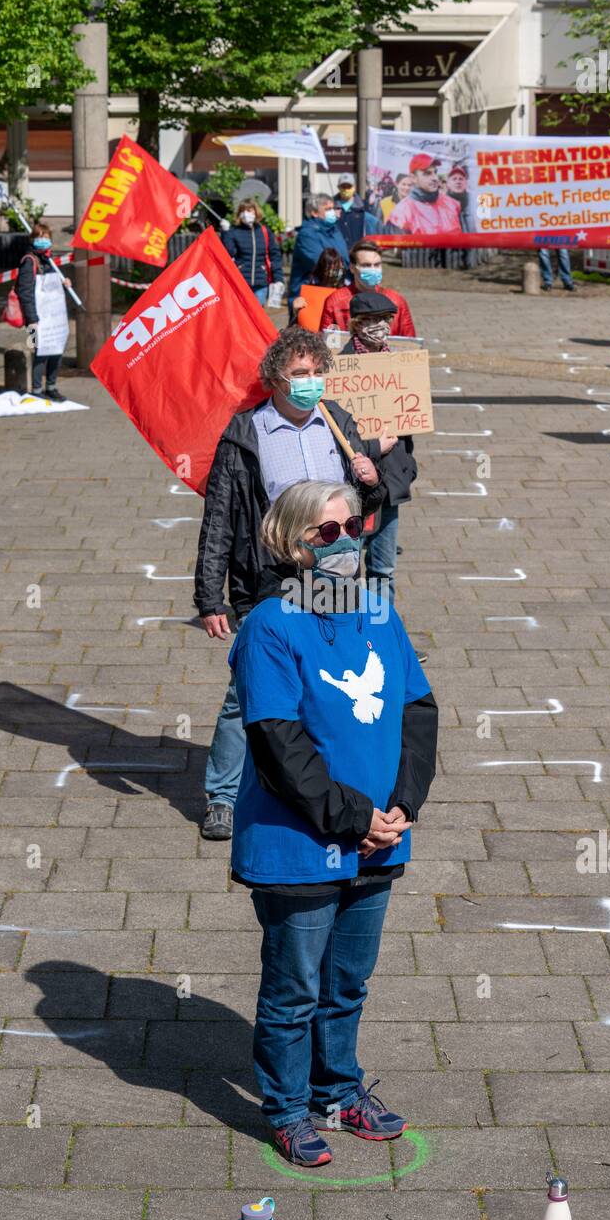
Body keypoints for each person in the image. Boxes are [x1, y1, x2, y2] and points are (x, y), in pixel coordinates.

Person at [228, 478, 438, 1165]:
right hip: (302, 841)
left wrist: (405, 802)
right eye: (326, 532)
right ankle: (287, 1109)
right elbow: (277, 745)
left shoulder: (379, 612)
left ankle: (338, 1090)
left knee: (347, 982)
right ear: (292, 546)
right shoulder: (270, 626)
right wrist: (354, 818)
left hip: (377, 836)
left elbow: (416, 710)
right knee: (295, 988)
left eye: (354, 526)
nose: (346, 541)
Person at [193, 326, 383, 841]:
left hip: (333, 573)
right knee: (248, 691)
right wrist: (211, 595)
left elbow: (364, 511)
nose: (312, 382)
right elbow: (220, 518)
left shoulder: (338, 423)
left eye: (319, 372)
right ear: (276, 377)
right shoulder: (245, 434)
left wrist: (372, 480)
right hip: (270, 577)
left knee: (329, 679)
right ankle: (224, 796)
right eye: (301, 374)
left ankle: (323, 784)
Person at [341, 292, 417, 610]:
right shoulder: (340, 366)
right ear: (357, 325)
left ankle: (382, 640)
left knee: (383, 570)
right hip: (352, 486)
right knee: (343, 569)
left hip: (389, 486)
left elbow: (410, 423)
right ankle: (346, 639)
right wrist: (375, 447)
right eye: (372, 321)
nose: (381, 327)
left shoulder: (398, 364)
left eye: (385, 320)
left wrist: (407, 467)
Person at [16, 222, 72, 400]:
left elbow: (52, 290)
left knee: (56, 350)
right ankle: (37, 391)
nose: (43, 241)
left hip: (54, 318)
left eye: (46, 237)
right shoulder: (28, 262)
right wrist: (32, 319)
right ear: (32, 239)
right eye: (39, 237)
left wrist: (65, 285)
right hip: (33, 319)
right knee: (38, 353)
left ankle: (51, 387)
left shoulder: (50, 261)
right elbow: (25, 293)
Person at [319, 238, 416, 337]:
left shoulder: (396, 302)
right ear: (352, 268)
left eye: (377, 265)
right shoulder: (335, 302)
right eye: (366, 265)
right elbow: (325, 345)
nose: (373, 270)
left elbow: (411, 344)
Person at [287, 193, 351, 313]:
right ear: (314, 213)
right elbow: (322, 264)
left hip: (334, 292)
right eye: (327, 209)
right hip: (309, 296)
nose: (332, 212)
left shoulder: (334, 230)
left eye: (333, 208)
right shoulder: (307, 234)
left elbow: (345, 258)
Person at [221, 199, 284, 306]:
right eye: (243, 211)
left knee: (257, 316)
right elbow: (228, 253)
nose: (246, 214)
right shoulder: (234, 231)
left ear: (256, 212)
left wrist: (278, 279)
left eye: (250, 210)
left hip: (261, 282)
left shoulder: (264, 231)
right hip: (241, 281)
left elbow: (275, 256)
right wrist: (225, 232)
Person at [387, 153, 461, 237]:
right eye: (427, 173)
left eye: (435, 172)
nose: (435, 178)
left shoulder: (452, 204)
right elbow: (398, 248)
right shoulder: (401, 213)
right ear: (413, 178)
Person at [290, 247, 347, 326]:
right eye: (330, 268)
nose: (333, 272)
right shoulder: (311, 290)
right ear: (323, 268)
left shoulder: (345, 290)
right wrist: (295, 311)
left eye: (337, 267)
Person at [335, 174, 379, 249]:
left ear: (354, 187)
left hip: (358, 253)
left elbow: (373, 228)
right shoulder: (329, 207)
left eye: (349, 186)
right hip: (337, 254)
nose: (346, 189)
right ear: (338, 187)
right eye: (343, 186)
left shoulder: (364, 207)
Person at [445, 165, 473, 233]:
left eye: (461, 179)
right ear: (448, 184)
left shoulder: (474, 201)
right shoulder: (442, 204)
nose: (458, 182)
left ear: (465, 183)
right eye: (454, 179)